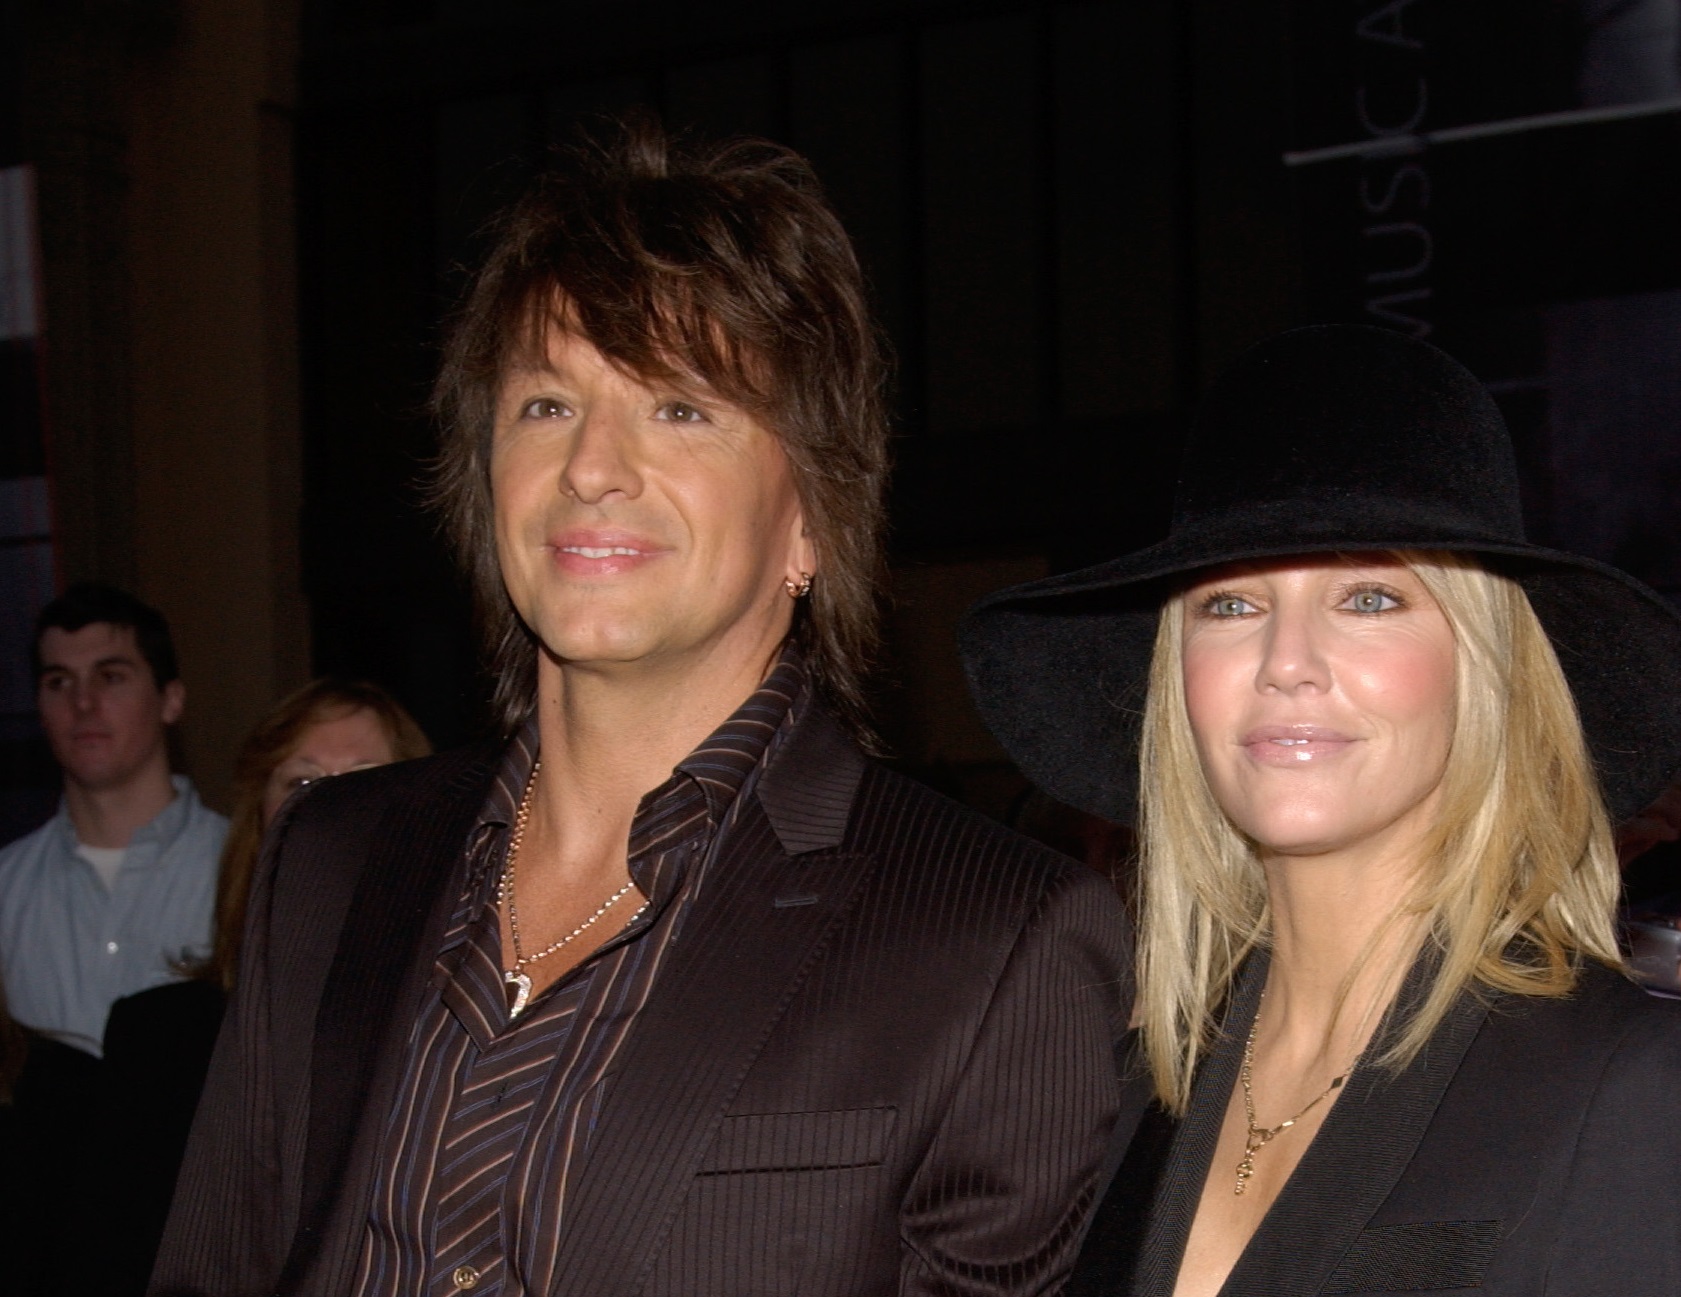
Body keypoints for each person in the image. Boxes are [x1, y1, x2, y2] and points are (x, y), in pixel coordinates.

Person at [152, 120, 1132, 1297]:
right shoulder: (332, 860)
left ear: (811, 517)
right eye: (547, 406)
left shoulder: (998, 938)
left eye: (680, 408)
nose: (593, 467)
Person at [961, 324, 1681, 1297]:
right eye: (1229, 606)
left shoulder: (1629, 1088)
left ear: (1484, 668)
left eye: (1370, 599)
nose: (1284, 660)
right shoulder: (1131, 1090)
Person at [96, 679, 429, 1297]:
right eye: (302, 782)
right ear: (260, 817)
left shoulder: (456, 1029)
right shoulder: (157, 1040)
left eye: (366, 776)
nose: (333, 803)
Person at [0, 583, 224, 1058]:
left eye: (111, 677)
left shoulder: (240, 873)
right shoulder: (7, 889)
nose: (83, 703)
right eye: (59, 682)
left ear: (171, 700)